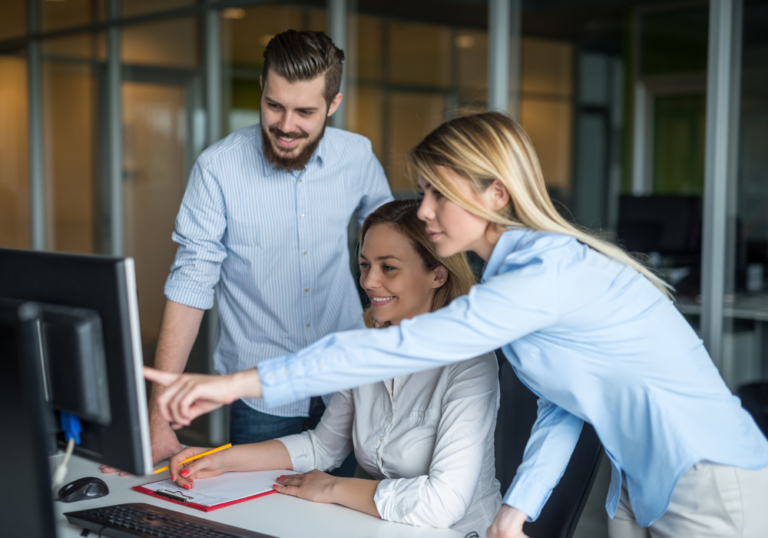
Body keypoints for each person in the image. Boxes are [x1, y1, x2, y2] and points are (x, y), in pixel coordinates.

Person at [146, 112, 768, 538]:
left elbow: (412, 344)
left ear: (495, 194)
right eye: (423, 194)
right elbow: (563, 409)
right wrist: (515, 511)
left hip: (709, 475)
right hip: (639, 482)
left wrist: (233, 385)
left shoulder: (541, 275)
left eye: (438, 195)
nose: (426, 212)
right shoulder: (510, 280)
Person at [106, 30, 392, 476]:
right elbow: (191, 282)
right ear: (262, 86)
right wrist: (158, 418)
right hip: (263, 397)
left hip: (348, 381)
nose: (286, 125)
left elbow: (397, 249)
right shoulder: (218, 168)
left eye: (305, 112)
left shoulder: (356, 156)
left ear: (333, 105)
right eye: (274, 105)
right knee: (260, 518)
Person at [165, 199, 501, 536]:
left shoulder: (470, 363)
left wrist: (331, 488)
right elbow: (322, 447)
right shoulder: (365, 345)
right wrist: (219, 459)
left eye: (388, 268)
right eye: (365, 265)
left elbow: (442, 503)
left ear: (437, 274)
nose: (369, 281)